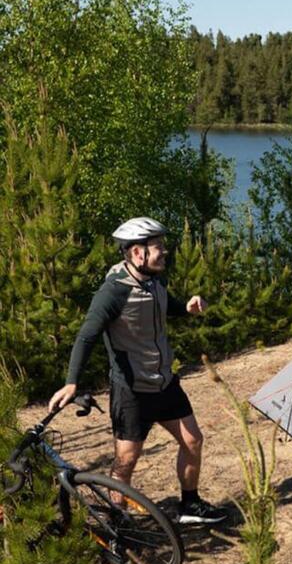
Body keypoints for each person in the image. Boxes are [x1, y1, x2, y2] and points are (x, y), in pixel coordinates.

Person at [49, 217, 226, 524]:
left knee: (193, 440)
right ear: (136, 253)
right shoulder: (113, 292)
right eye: (158, 247)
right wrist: (71, 382)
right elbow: (88, 334)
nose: (164, 253)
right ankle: (119, 522)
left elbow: (165, 305)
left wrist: (187, 308)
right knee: (127, 460)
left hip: (165, 383)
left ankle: (189, 505)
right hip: (132, 391)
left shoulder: (153, 282)